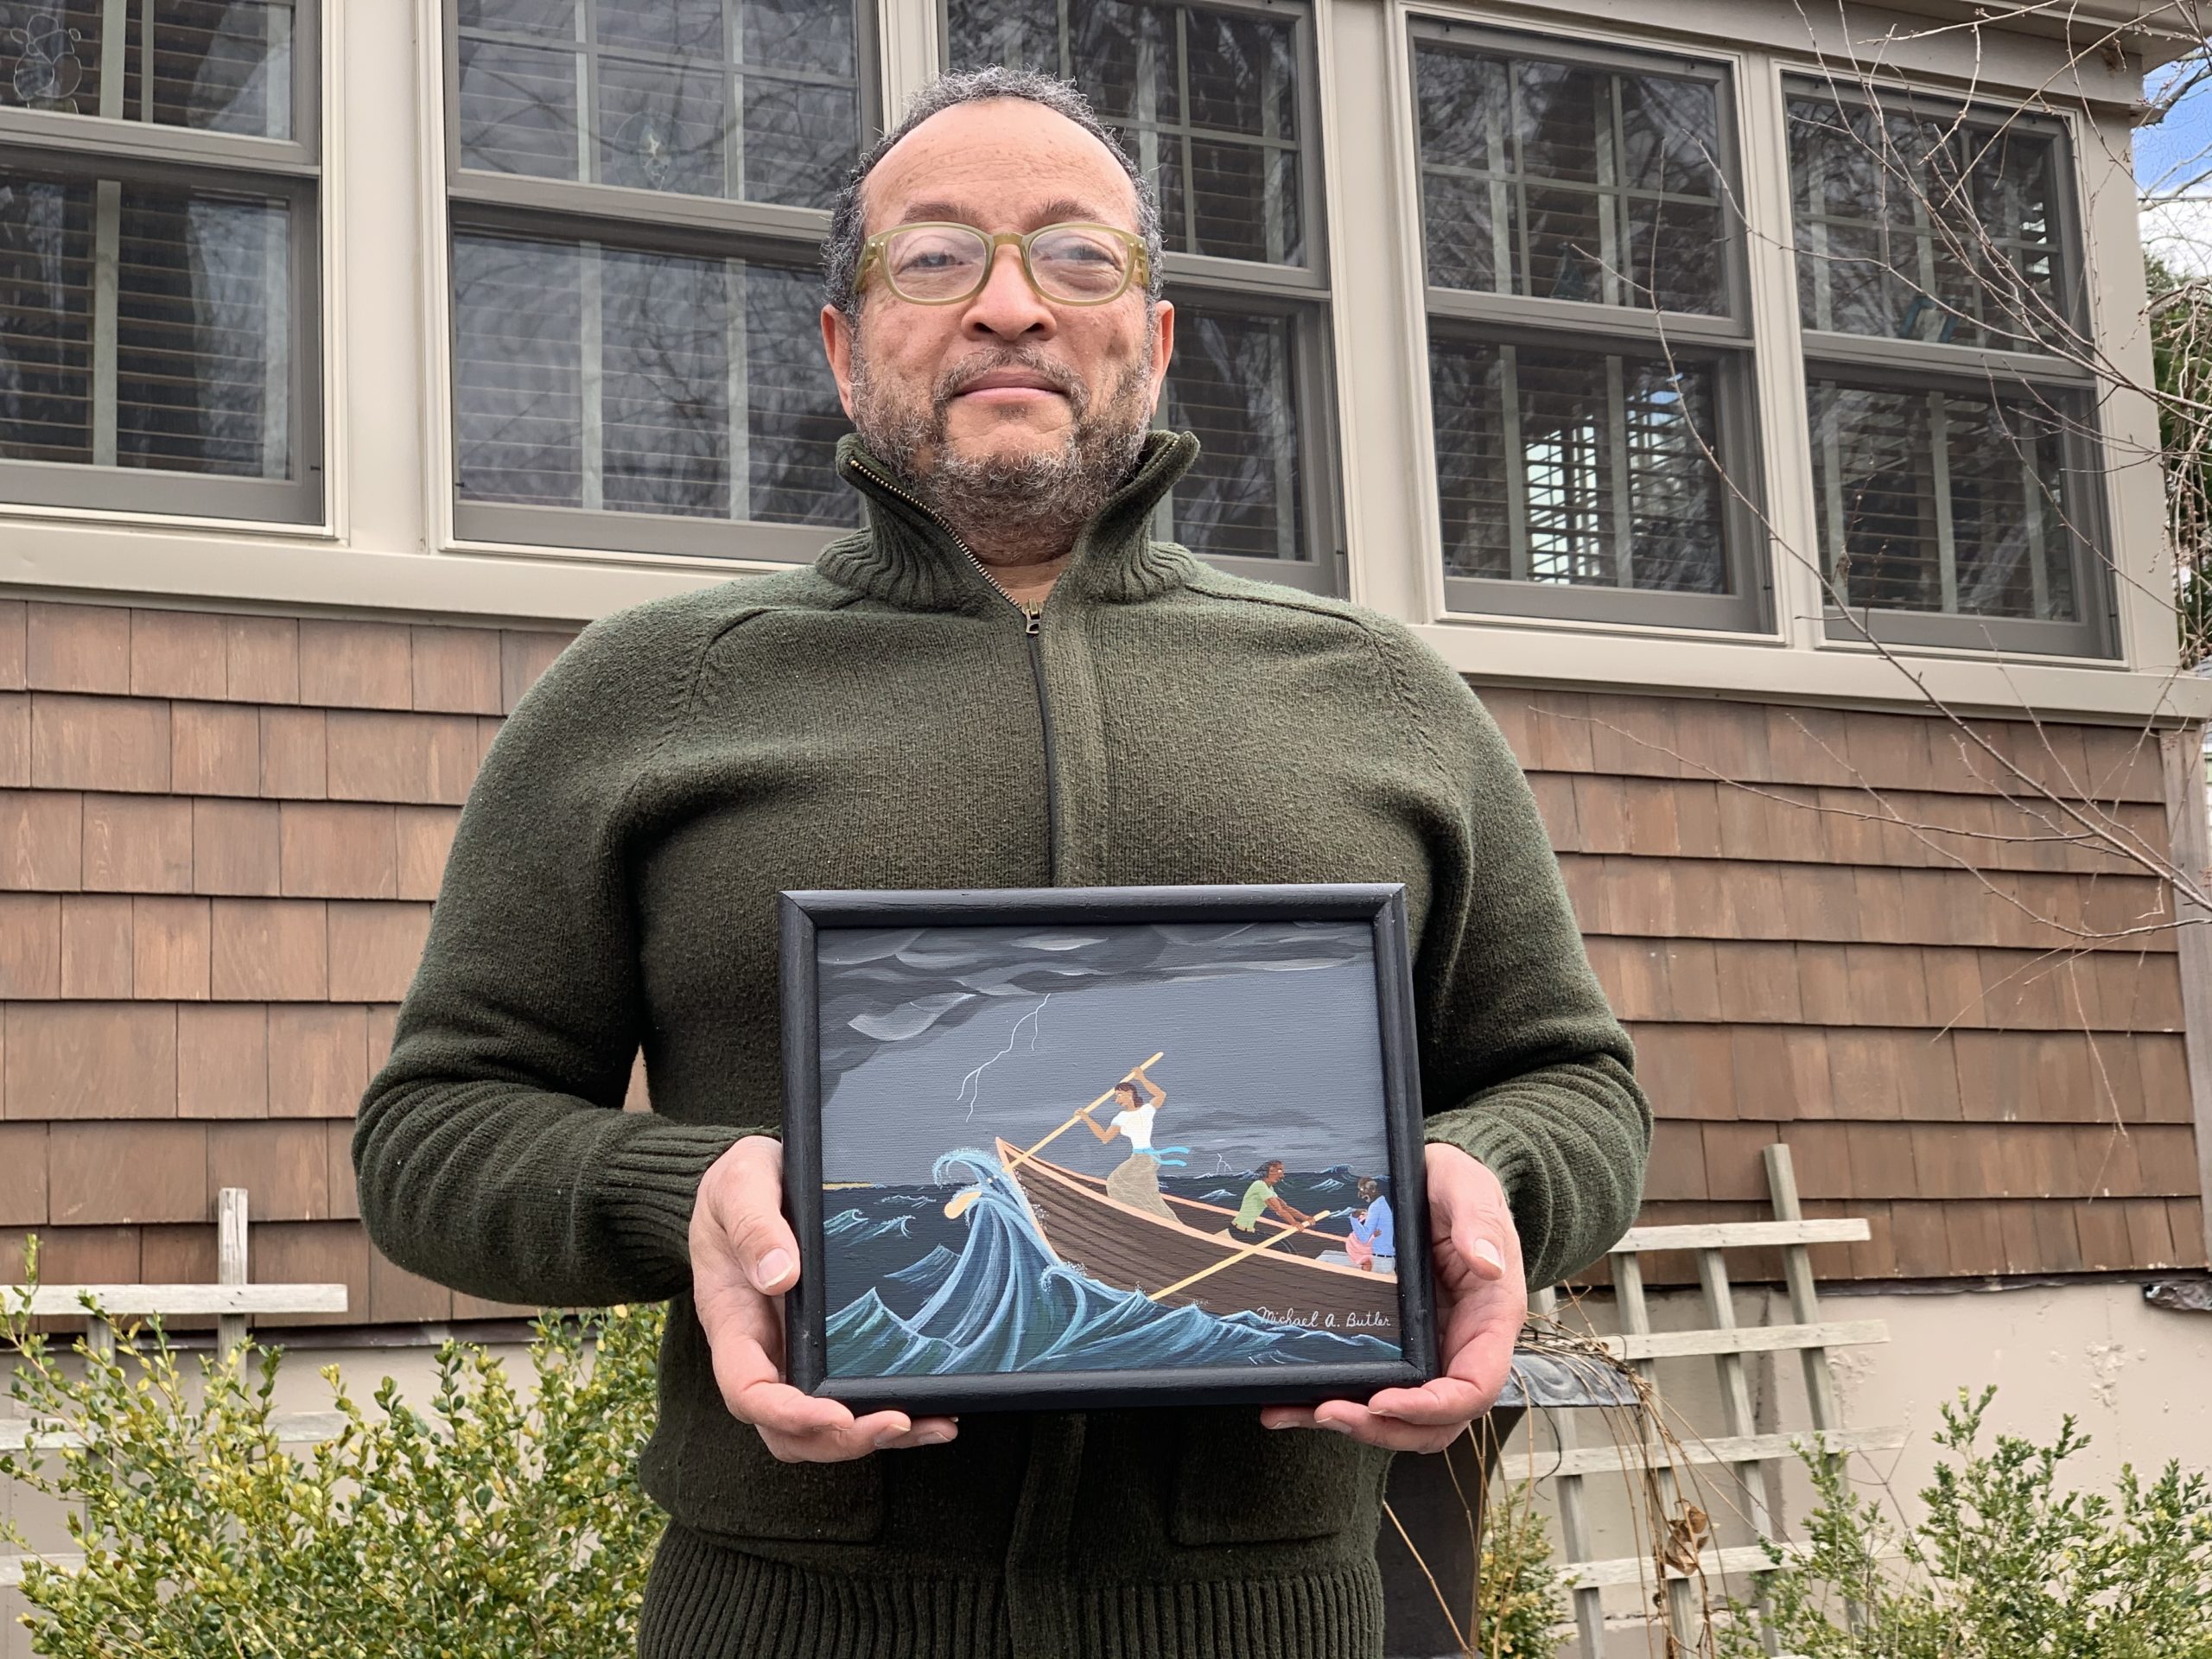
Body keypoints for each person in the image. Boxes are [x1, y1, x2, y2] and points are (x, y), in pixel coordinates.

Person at [353, 65, 1650, 1659]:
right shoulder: (647, 693)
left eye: (1078, 256)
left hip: (1278, 1616)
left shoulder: (1386, 697)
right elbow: (430, 1134)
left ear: (1156, 339)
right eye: (937, 254)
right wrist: (688, 1193)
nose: (1012, 308)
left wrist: (1485, 1179)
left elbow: (1577, 1089)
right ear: (844, 343)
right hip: (784, 1619)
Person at [1077, 1062, 1178, 1221]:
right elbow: (1105, 1138)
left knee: (1115, 1183)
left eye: (1118, 1095)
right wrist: (1086, 1118)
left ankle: (1151, 1220)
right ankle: (1158, 1221)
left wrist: (1141, 1078)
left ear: (1129, 1093)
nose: (1116, 1100)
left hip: (1144, 1159)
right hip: (1143, 1158)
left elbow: (1160, 1095)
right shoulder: (1121, 1117)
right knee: (1149, 1195)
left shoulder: (1146, 1110)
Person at [1230, 1158, 1316, 1236]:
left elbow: (1284, 1207)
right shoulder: (1259, 1185)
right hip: (1239, 1231)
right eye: (1279, 1171)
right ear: (1269, 1171)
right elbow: (1279, 1210)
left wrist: (1305, 1218)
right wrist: (1294, 1223)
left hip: (1248, 1230)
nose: (1282, 1176)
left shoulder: (1269, 1188)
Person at [1348, 1176, 1396, 1274]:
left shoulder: (1375, 1207)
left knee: (1324, 1258)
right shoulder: (1382, 1204)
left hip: (1379, 1262)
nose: (1361, 1195)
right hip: (1387, 1260)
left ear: (1373, 1189)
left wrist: (1354, 1219)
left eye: (1363, 1191)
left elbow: (1364, 1237)